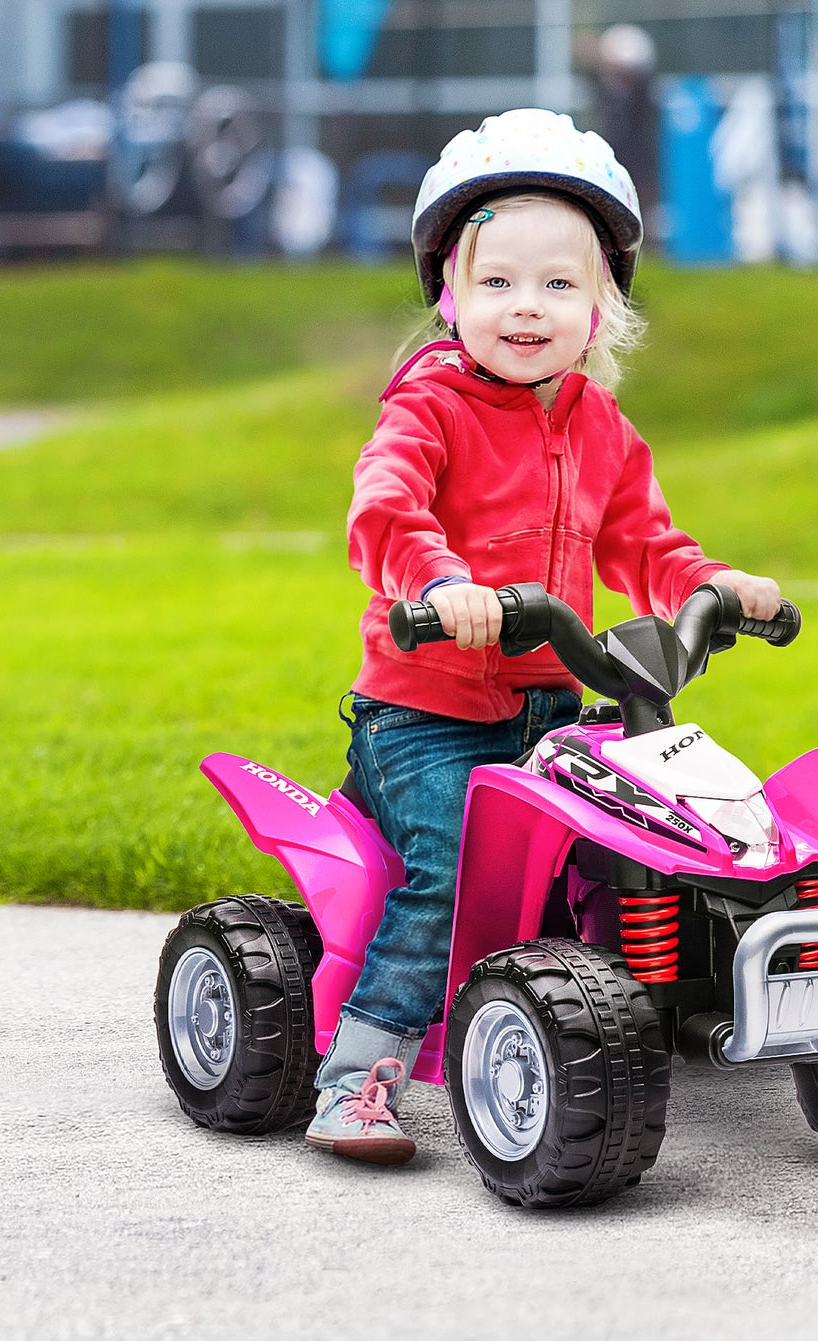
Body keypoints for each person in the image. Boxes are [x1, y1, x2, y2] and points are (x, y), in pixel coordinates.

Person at [306, 108, 781, 1165]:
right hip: (424, 716)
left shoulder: (598, 427)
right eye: (499, 282)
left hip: (549, 702)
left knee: (637, 852)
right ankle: (358, 1074)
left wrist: (713, 585)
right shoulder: (427, 408)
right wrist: (440, 582)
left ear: (602, 304)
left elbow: (645, 540)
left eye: (559, 285)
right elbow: (385, 508)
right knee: (449, 877)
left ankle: (638, 1015)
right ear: (449, 294)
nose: (527, 306)